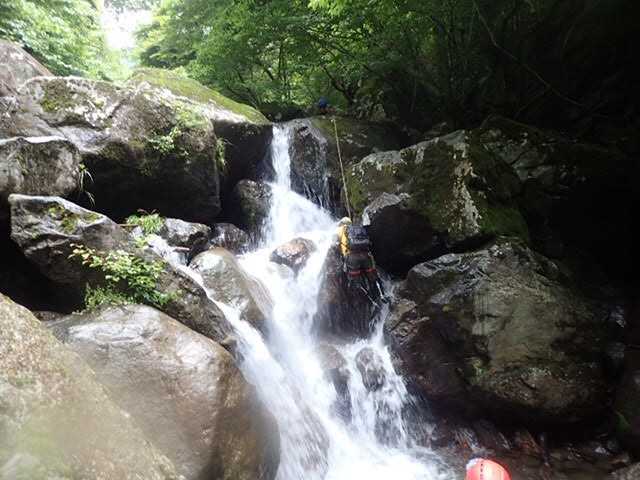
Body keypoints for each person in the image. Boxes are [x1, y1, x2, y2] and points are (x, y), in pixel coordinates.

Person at [336, 217, 385, 303]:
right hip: (365, 255)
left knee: (356, 282)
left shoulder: (340, 229)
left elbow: (337, 243)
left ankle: (370, 301)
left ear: (342, 223)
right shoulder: (357, 229)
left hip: (352, 258)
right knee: (373, 276)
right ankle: (382, 295)